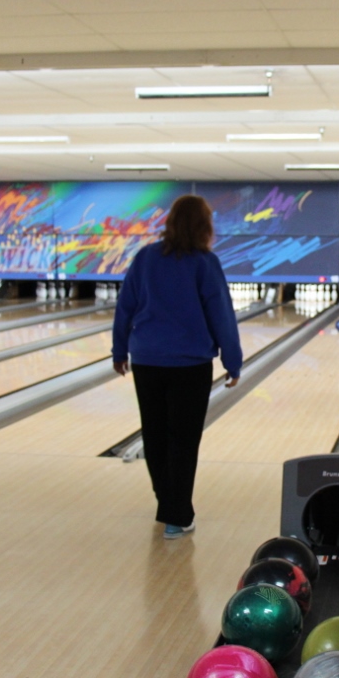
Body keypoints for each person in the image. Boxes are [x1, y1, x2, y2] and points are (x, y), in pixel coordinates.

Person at [112, 195, 243, 540]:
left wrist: (119, 350)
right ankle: (177, 515)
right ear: (205, 227)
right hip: (190, 365)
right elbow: (222, 316)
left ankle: (167, 504)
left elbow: (124, 307)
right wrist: (233, 362)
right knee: (183, 441)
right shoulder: (205, 263)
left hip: (148, 361)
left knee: (155, 437)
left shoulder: (145, 258)